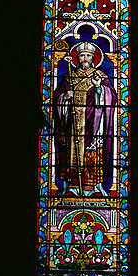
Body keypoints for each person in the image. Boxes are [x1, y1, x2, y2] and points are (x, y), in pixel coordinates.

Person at [53, 42, 117, 196]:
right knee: (70, 152)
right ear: (77, 57)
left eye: (88, 55)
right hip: (72, 125)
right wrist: (65, 97)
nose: (85, 58)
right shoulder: (69, 76)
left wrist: (98, 88)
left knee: (94, 154)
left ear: (93, 58)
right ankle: (70, 185)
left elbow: (112, 97)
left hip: (94, 125)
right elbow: (56, 99)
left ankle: (96, 185)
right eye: (82, 55)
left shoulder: (100, 76)